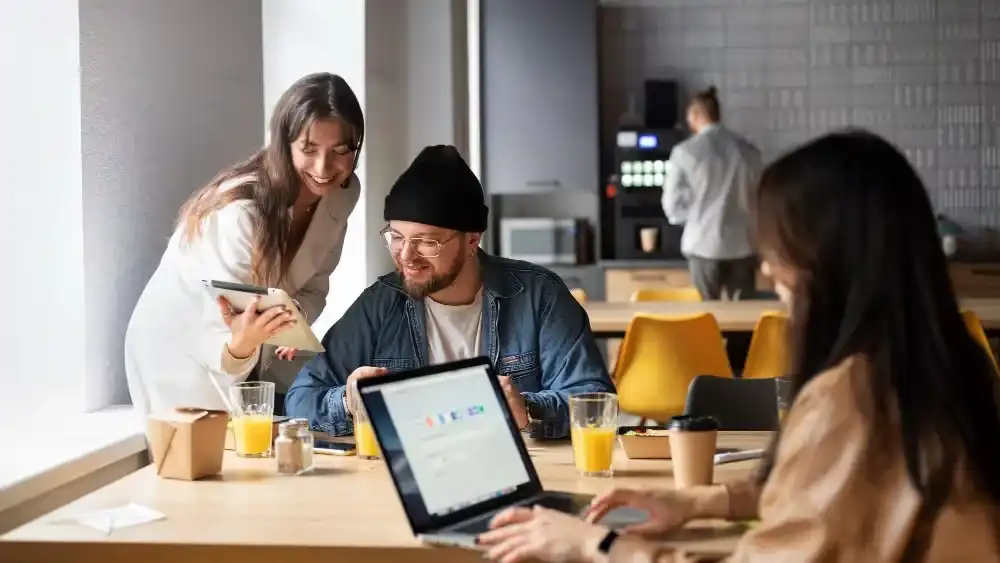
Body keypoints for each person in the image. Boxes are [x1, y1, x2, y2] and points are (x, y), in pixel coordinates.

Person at [478, 130, 1000, 562]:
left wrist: (595, 545)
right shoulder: (955, 364)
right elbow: (840, 494)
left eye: (779, 248)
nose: (767, 268)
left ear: (830, 257)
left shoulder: (851, 398)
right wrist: (694, 502)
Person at [284, 145, 615, 439]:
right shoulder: (380, 304)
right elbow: (301, 399)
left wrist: (527, 411)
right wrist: (348, 402)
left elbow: (594, 399)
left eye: (426, 242)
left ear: (472, 240)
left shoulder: (539, 295)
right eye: (397, 237)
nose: (406, 256)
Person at [124, 72, 365, 419]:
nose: (324, 167)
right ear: (284, 144)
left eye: (340, 150)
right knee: (206, 446)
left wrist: (294, 318)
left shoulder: (343, 194)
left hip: (249, 347)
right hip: (181, 350)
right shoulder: (240, 213)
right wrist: (251, 337)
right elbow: (222, 322)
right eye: (309, 149)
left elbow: (315, 285)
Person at [662, 86, 763, 301]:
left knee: (706, 312)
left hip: (703, 245)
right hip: (743, 245)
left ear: (695, 115)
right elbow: (760, 197)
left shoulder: (685, 152)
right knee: (743, 315)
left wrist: (694, 217)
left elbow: (671, 205)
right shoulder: (749, 151)